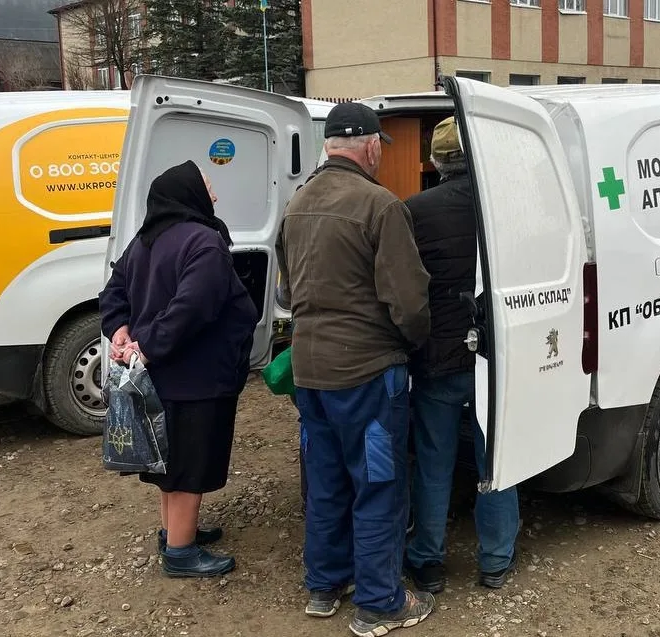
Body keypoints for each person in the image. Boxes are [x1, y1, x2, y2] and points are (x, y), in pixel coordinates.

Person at [277, 102, 434, 637]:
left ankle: (324, 587)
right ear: (369, 146)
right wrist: (413, 346)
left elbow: (283, 292)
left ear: (328, 146)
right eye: (379, 148)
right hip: (368, 375)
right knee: (378, 485)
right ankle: (379, 603)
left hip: (310, 373)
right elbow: (409, 304)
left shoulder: (295, 207)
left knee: (325, 482)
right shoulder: (381, 207)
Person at [99, 160, 258, 578]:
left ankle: (173, 532)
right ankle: (182, 554)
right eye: (208, 188)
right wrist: (146, 347)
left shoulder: (144, 241)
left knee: (170, 461)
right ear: (189, 194)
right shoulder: (203, 241)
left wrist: (120, 331)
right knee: (189, 464)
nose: (216, 196)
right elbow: (192, 307)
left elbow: (112, 293)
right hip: (196, 378)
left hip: (159, 380)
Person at [402, 116, 520, 594]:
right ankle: (495, 559)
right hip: (498, 356)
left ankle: (428, 560)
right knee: (498, 457)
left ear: (434, 161)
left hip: (439, 357)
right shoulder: (507, 207)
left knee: (434, 461)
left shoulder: (414, 210)